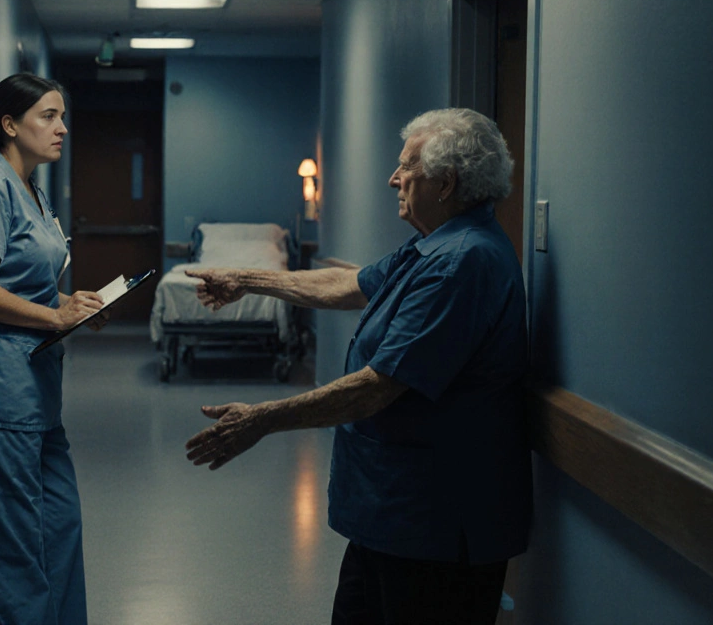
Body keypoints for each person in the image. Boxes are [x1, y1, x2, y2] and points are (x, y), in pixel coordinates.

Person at [184, 108, 531, 625]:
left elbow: (377, 388)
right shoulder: (432, 248)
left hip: (435, 525)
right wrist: (246, 279)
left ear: (446, 182)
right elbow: (346, 285)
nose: (393, 178)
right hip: (391, 516)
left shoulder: (462, 261)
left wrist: (261, 419)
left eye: (406, 167)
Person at [0, 73, 105, 625]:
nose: (62, 129)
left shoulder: (30, 187)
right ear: (9, 125)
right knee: (14, 553)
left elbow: (23, 282)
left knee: (60, 529)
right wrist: (54, 315)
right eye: (48, 117)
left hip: (38, 394)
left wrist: (71, 303)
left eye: (62, 117)